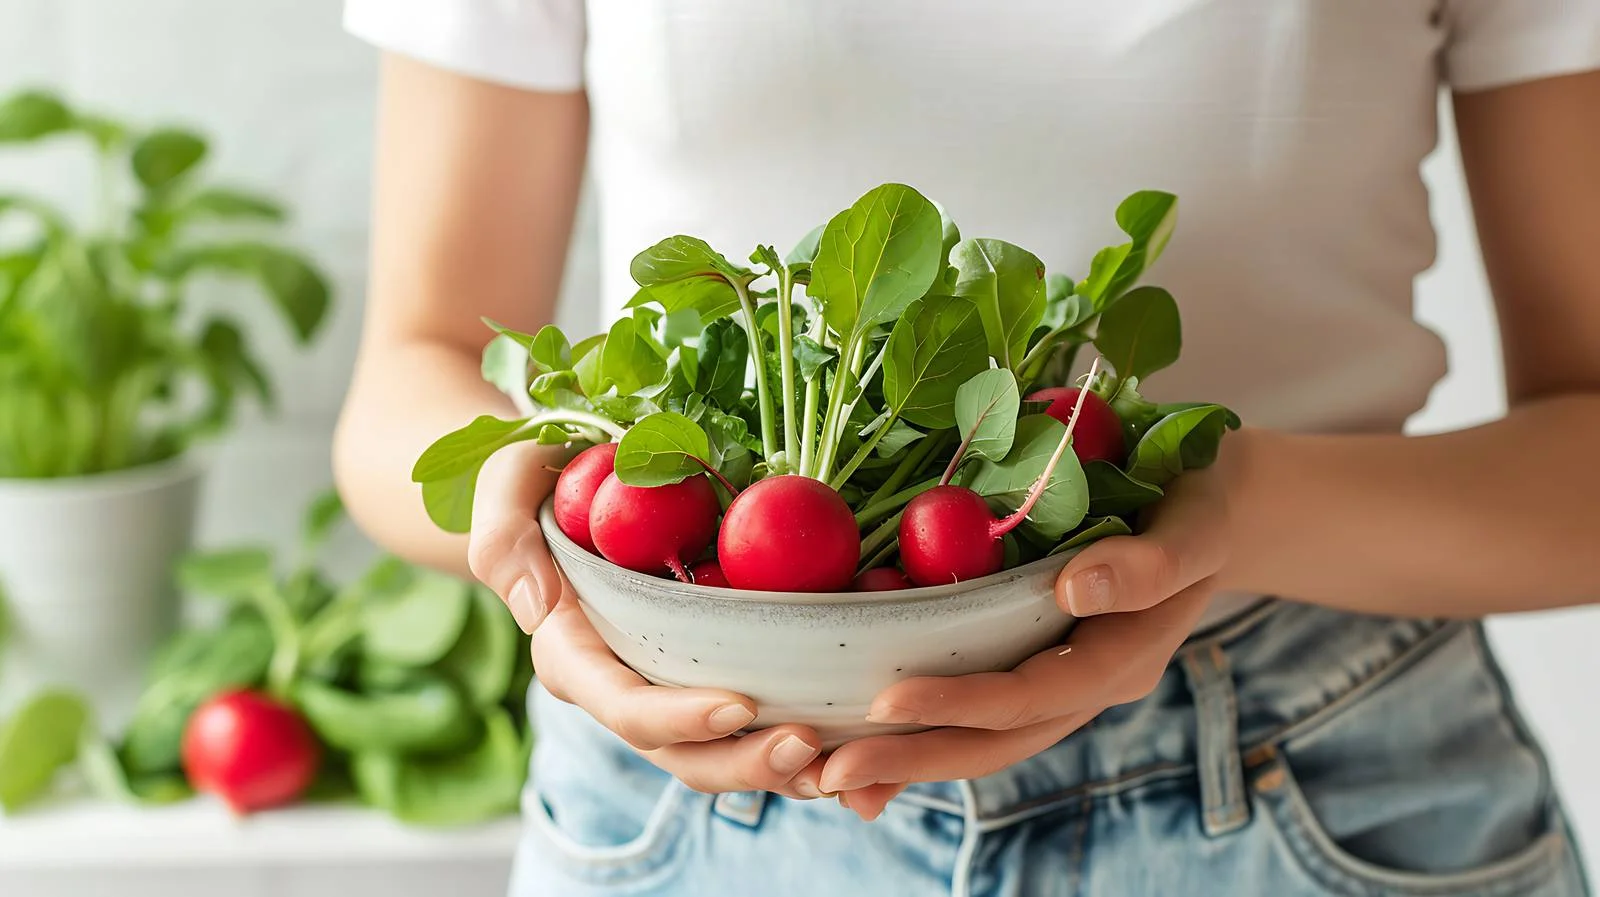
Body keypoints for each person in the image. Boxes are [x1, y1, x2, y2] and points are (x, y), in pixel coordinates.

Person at [332, 2, 1600, 895]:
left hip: (1313, 774)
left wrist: (1227, 502)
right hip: (695, 784)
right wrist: (543, 539)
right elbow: (413, 371)